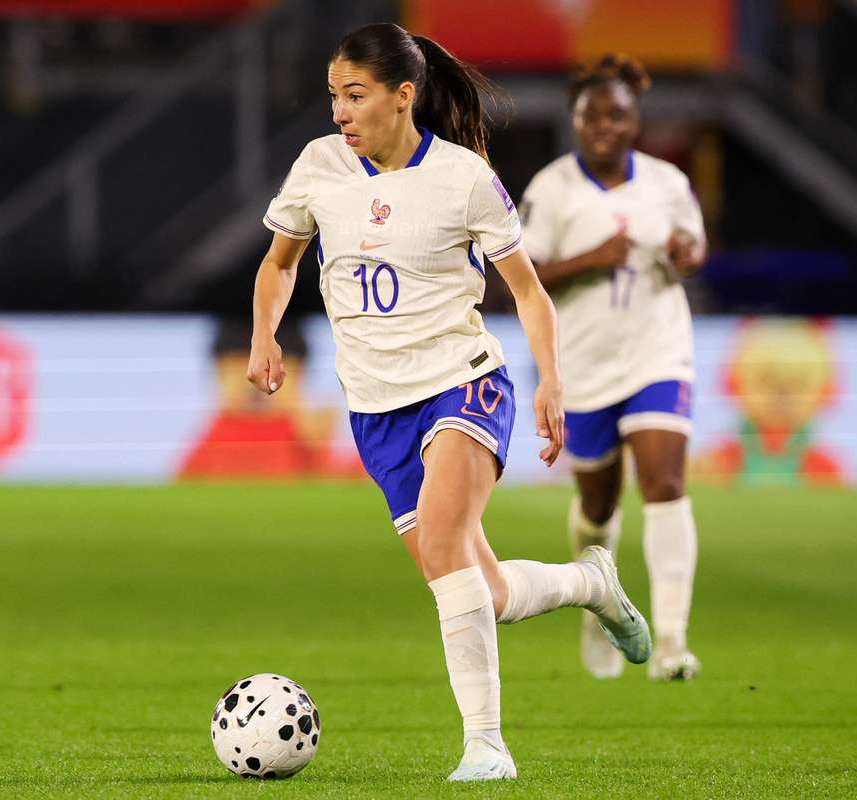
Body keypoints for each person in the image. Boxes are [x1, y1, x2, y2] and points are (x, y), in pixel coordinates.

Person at [247, 24, 651, 782]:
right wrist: (265, 334)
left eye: (356, 95)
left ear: (404, 96)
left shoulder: (463, 178)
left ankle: (486, 745)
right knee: (483, 592)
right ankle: (590, 583)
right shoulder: (319, 168)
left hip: (463, 382)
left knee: (441, 550)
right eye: (335, 95)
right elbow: (278, 264)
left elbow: (529, 291)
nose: (341, 111)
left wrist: (551, 381)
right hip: (377, 411)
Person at [519, 54, 706, 682]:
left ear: (635, 121)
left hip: (658, 351)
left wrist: (686, 253)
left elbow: (694, 248)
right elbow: (523, 274)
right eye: (591, 114)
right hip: (583, 365)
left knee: (664, 484)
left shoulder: (667, 183)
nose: (604, 125)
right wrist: (593, 258)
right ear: (574, 119)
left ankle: (674, 642)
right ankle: (597, 602)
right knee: (597, 504)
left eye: (617, 114)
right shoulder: (551, 189)